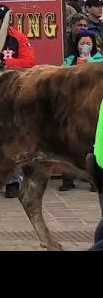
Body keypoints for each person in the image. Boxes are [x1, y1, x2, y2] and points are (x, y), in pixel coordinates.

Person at [0, 4, 37, 198]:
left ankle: (13, 181)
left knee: (8, 135)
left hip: (8, 92)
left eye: (2, 19)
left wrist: (5, 63)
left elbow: (29, 61)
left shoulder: (17, 37)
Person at [60, 29, 103, 192]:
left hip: (94, 109)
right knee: (69, 144)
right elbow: (61, 80)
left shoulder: (99, 60)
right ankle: (68, 179)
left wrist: (90, 65)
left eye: (88, 43)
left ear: (94, 45)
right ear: (76, 45)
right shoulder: (69, 60)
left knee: (92, 145)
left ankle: (95, 180)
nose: (85, 46)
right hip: (72, 108)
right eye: (82, 43)